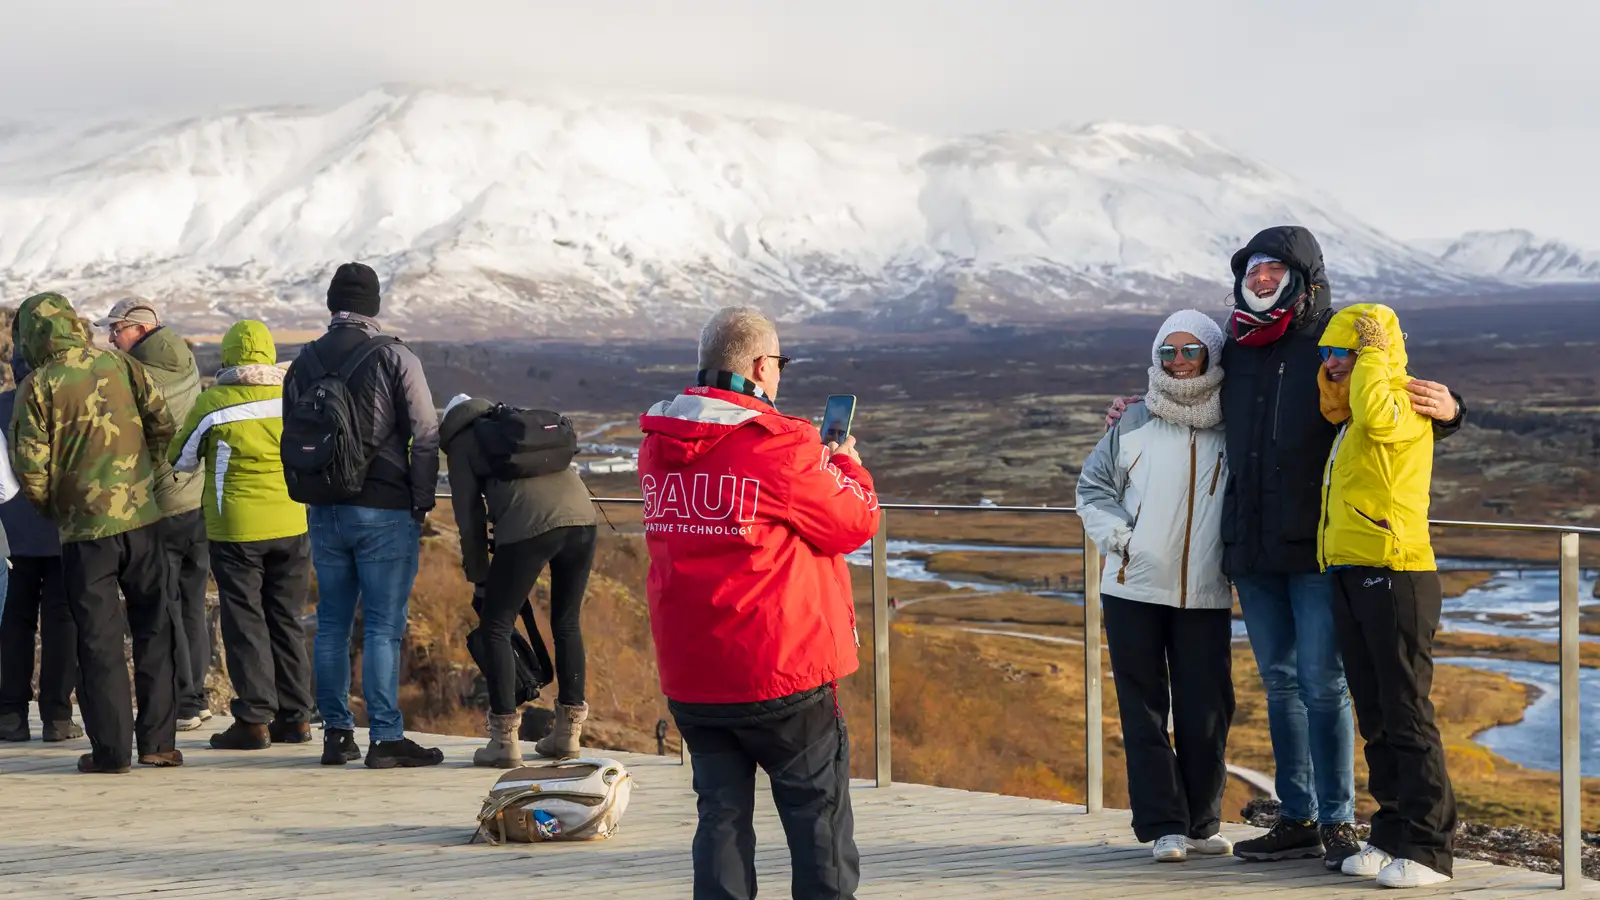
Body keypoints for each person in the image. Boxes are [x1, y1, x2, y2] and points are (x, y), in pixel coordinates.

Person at [1105, 226, 1464, 869]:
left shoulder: (1333, 340)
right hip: (1252, 545)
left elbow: (1391, 393)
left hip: (1320, 548)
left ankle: (1338, 822)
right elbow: (1187, 395)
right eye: (1253, 269)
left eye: (1275, 268)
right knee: (1280, 684)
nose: (1263, 278)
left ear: (1304, 277)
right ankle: (1296, 816)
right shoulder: (1237, 347)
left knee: (1326, 686)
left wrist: (1453, 408)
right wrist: (1135, 409)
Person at [639, 306, 879, 900]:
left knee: (719, 819)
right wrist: (843, 460)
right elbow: (855, 521)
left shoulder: (657, 445)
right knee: (816, 822)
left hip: (694, 673)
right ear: (761, 365)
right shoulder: (782, 447)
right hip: (781, 673)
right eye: (780, 365)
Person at [1076, 310, 1235, 863]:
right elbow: (1092, 487)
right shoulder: (1135, 419)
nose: (1179, 362)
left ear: (1212, 355)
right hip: (1133, 588)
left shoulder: (1235, 421)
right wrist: (1125, 541)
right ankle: (1164, 825)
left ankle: (1201, 822)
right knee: (1143, 710)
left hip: (1206, 592)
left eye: (1190, 351)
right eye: (1168, 352)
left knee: (1207, 709)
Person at [8, 292, 180, 773]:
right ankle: (158, 743)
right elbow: (161, 423)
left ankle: (111, 750)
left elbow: (31, 468)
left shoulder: (37, 386)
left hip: (85, 531)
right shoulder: (121, 365)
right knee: (154, 627)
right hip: (143, 519)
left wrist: (57, 509)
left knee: (99, 639)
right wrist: (143, 475)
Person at [282, 262, 442, 769]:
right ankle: (386, 738)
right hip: (385, 508)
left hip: (324, 509)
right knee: (381, 626)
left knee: (330, 623)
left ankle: (335, 734)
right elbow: (426, 432)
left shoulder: (303, 360)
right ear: (373, 306)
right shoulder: (395, 355)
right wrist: (420, 500)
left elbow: (293, 432)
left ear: (332, 304)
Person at [1317, 304, 1456, 888]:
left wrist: (1374, 352)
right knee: (1375, 715)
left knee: (1406, 715)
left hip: (1397, 574)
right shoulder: (1350, 418)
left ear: (1372, 354)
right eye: (1326, 354)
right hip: (1351, 570)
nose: (1331, 364)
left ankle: (1428, 850)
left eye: (1342, 353)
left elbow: (1378, 414)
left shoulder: (1399, 405)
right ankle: (1391, 833)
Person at [170, 321, 314, 751]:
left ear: (230, 356)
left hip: (236, 528)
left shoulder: (214, 403)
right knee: (286, 620)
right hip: (291, 522)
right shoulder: (293, 397)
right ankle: (297, 717)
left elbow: (181, 459)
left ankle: (253, 719)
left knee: (244, 621)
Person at [439, 394, 598, 767]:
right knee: (567, 622)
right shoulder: (517, 421)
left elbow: (469, 518)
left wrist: (479, 577)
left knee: (495, 625)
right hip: (583, 520)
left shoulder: (463, 443)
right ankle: (567, 735)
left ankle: (504, 741)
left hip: (529, 529)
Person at [98, 298, 213, 731]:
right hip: (196, 501)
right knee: (192, 604)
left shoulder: (138, 376)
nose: (111, 338)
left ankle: (184, 702)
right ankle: (196, 695)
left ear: (140, 329)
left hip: (162, 506)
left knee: (166, 605)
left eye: (117, 329)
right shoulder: (182, 360)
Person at [0, 325, 82, 744]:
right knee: (61, 621)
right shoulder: (70, 406)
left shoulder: (1, 408)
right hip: (65, 528)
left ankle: (11, 715)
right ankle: (57, 716)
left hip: (12, 534)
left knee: (13, 622)